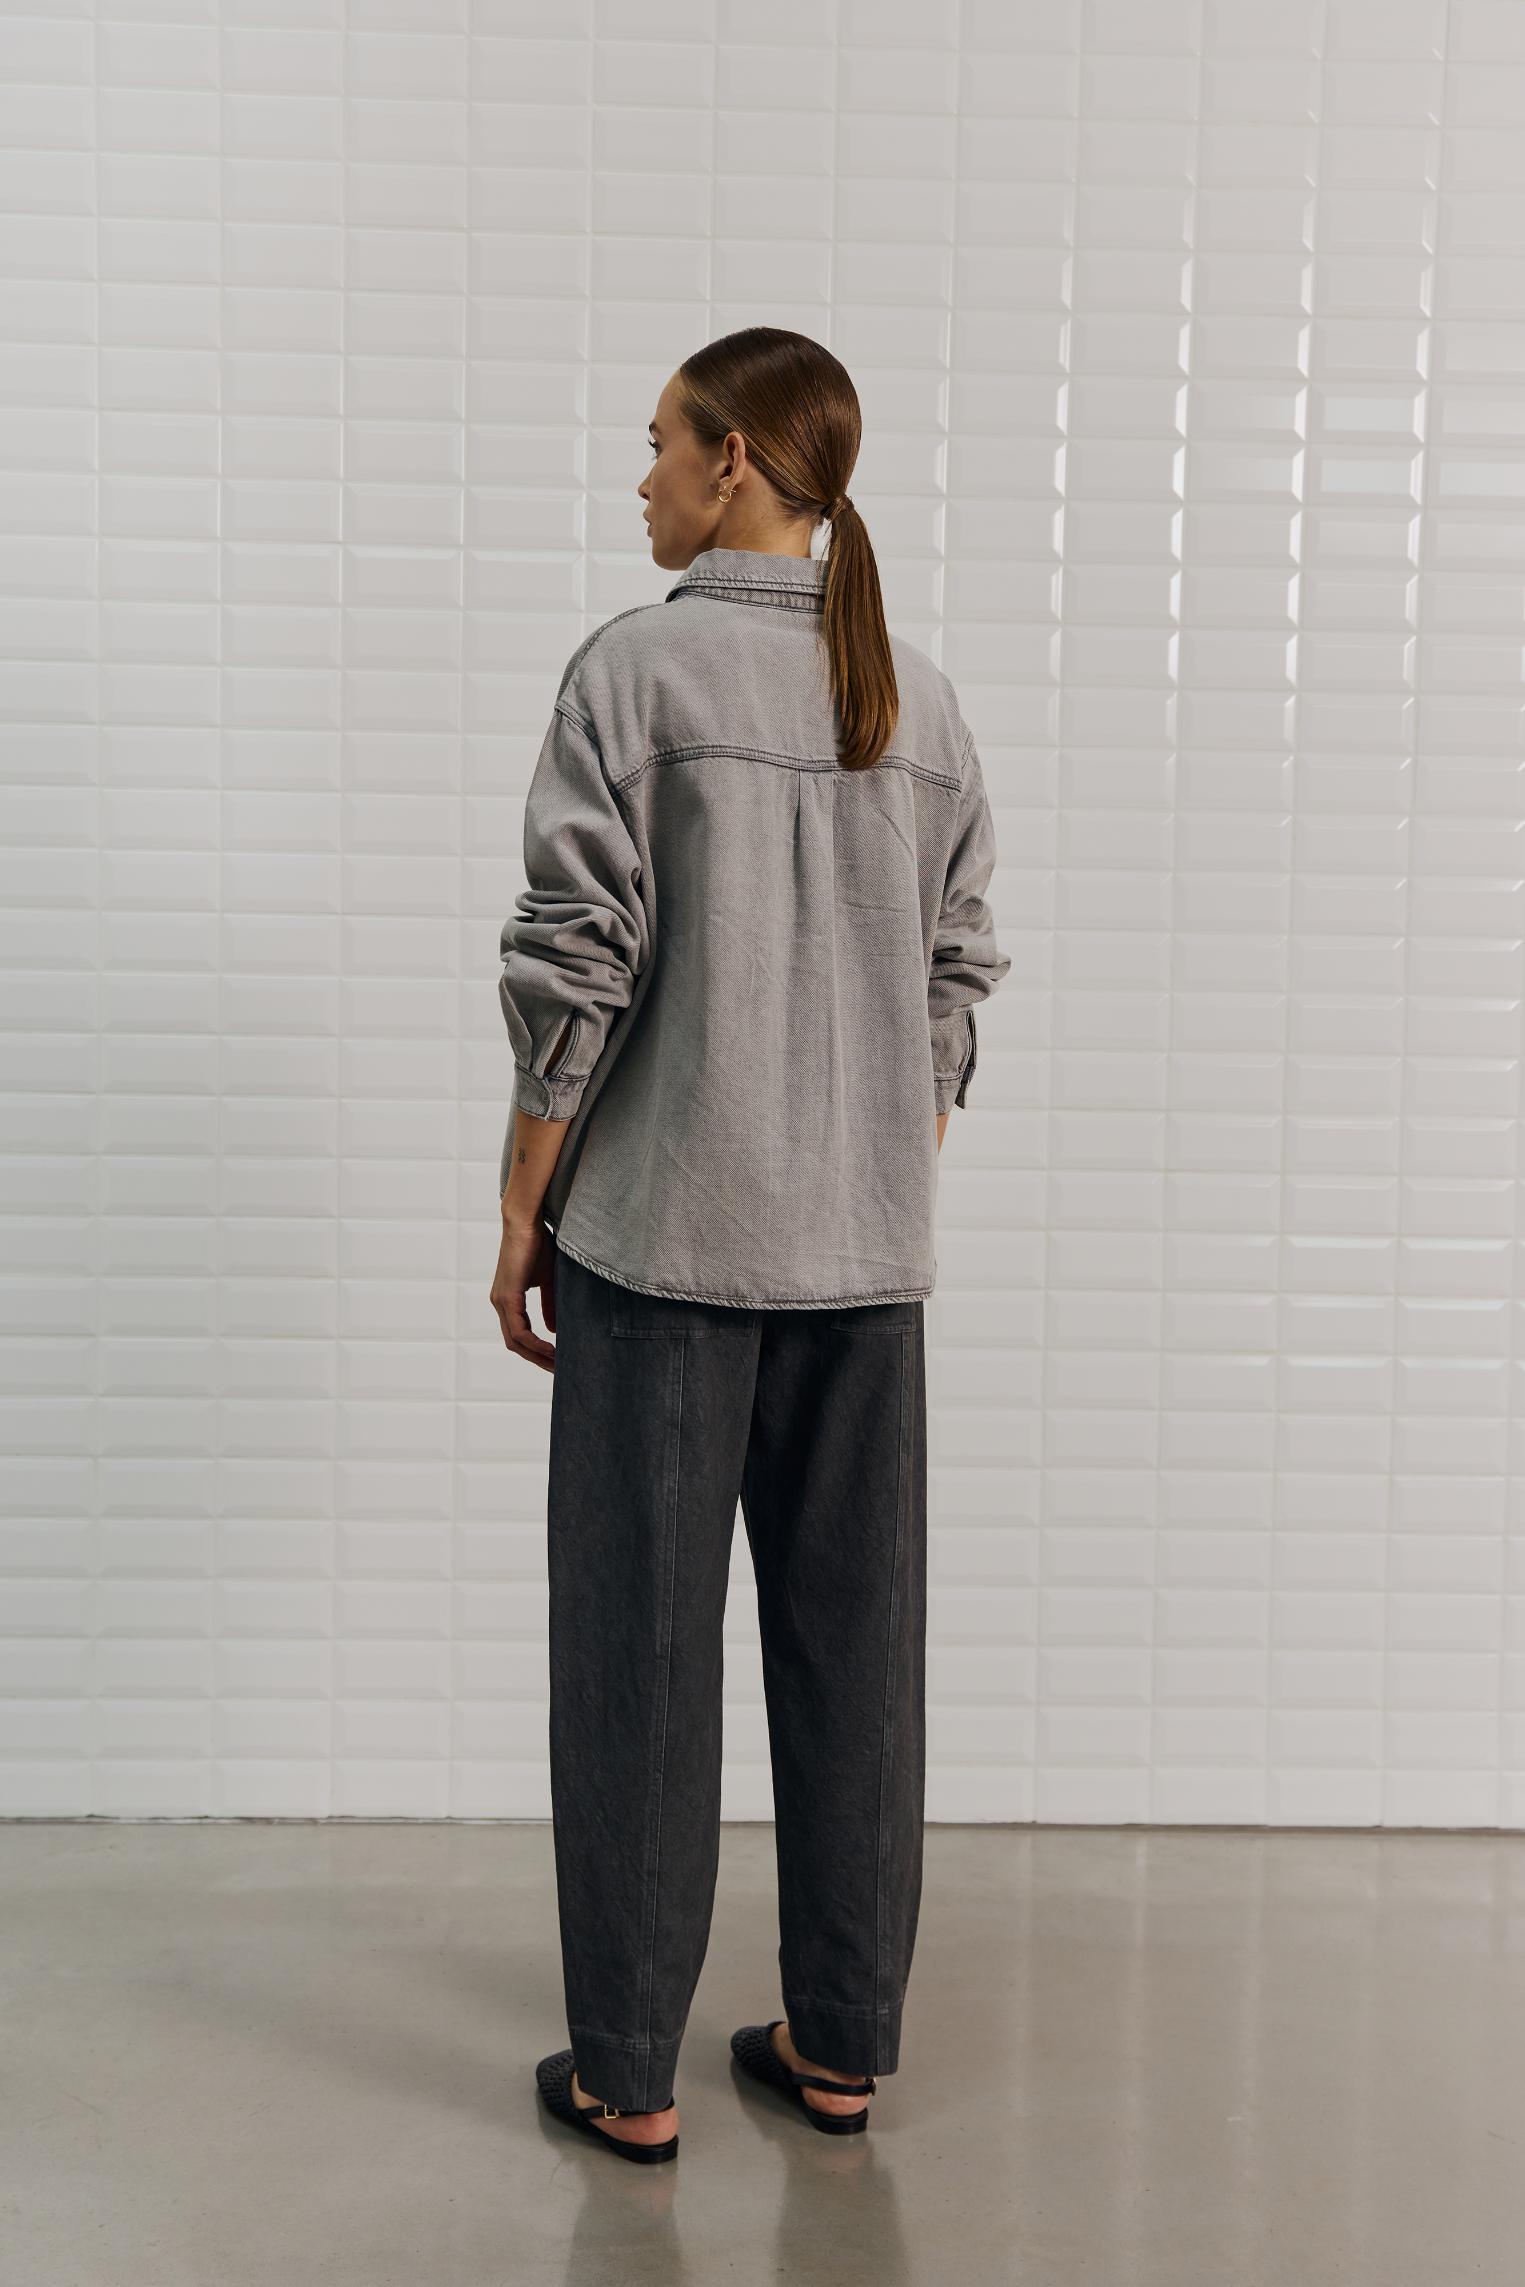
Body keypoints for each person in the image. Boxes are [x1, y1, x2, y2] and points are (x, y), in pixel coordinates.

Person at [490, 326, 1009, 2164]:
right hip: (865, 1263)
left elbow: (574, 962)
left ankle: (628, 2075)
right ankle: (839, 2049)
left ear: (731, 464)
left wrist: (522, 1201)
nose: (638, 476)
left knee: (638, 1658)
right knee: (856, 1658)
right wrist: (873, 1159)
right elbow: (956, 972)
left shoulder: (634, 672)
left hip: (662, 1251)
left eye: (657, 443)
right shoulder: (918, 700)